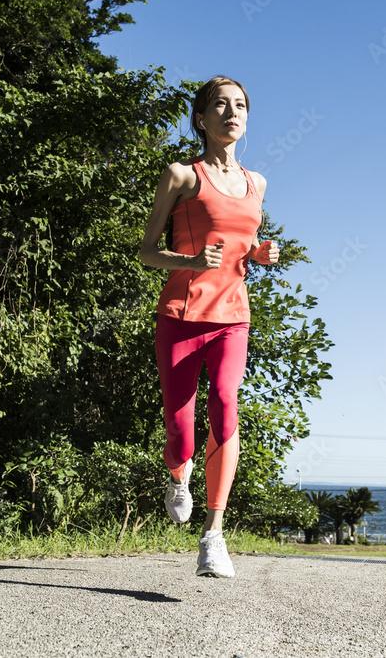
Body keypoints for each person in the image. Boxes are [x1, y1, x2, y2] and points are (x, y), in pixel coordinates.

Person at [138, 76, 278, 578]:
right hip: (180, 315)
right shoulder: (181, 176)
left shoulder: (256, 183)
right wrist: (191, 260)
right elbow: (145, 251)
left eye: (240, 104)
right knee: (180, 430)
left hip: (232, 317)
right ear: (201, 118)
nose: (231, 112)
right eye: (220, 104)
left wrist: (260, 254)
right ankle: (179, 474)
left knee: (224, 401)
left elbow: (241, 246)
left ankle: (214, 536)